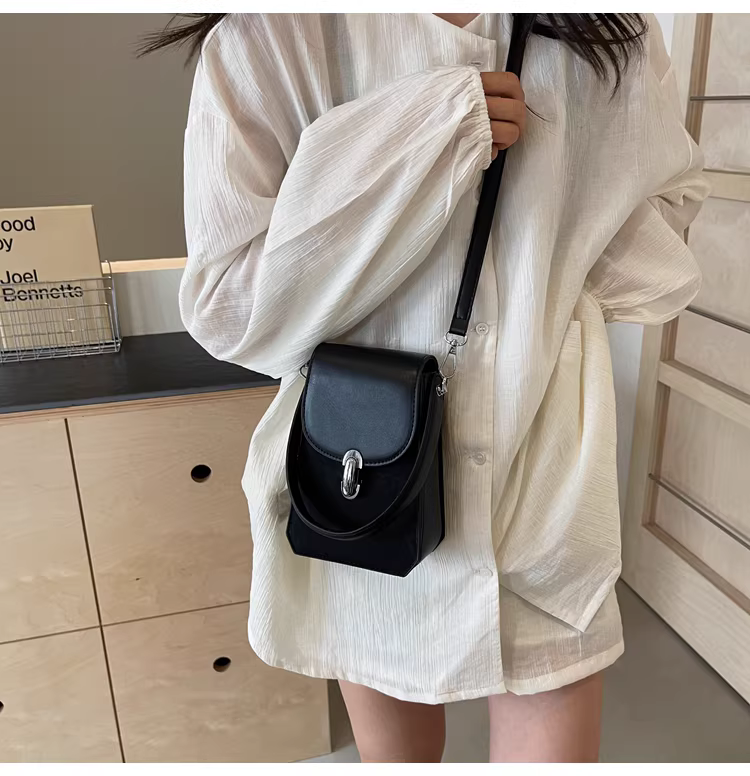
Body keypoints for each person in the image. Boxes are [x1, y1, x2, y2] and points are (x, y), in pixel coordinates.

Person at [144, 13, 708, 762]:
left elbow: (663, 226)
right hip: (365, 477)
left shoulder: (605, 27)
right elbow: (232, 313)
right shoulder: (273, 36)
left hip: (543, 464)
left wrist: (552, 254)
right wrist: (424, 131)